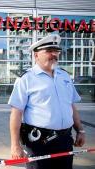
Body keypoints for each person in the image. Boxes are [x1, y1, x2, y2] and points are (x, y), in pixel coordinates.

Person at [8, 34, 86, 169]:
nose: (54, 54)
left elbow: (71, 106)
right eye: (49, 51)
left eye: (56, 51)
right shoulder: (26, 79)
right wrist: (15, 145)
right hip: (39, 143)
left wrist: (80, 130)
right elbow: (16, 113)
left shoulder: (65, 76)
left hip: (65, 140)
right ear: (36, 55)